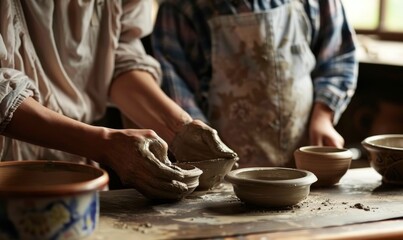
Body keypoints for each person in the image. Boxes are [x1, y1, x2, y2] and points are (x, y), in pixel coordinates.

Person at [0, 0, 237, 200]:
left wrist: (178, 128)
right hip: (8, 165)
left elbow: (119, 60)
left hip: (80, 165)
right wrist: (104, 144)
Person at [151, 0, 358, 167]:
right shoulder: (180, 9)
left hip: (304, 154)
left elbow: (337, 58)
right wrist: (203, 150)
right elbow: (177, 87)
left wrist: (323, 117)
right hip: (225, 167)